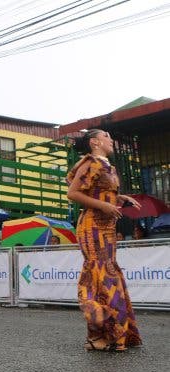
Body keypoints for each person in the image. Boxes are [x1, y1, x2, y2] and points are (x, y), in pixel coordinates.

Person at [67, 129, 142, 352]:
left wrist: (119, 198)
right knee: (99, 275)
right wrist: (104, 206)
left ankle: (102, 334)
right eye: (107, 136)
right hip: (92, 227)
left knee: (108, 274)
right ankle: (102, 331)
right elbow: (73, 193)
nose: (112, 140)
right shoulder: (90, 163)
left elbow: (99, 192)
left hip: (108, 226)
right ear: (95, 142)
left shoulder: (108, 166)